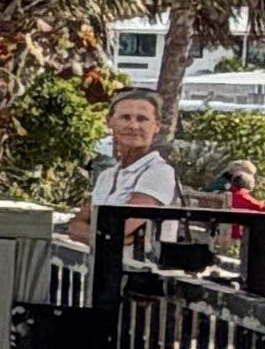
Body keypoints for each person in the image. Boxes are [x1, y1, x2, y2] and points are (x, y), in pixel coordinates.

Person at [60, 85, 188, 251]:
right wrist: (118, 239)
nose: (133, 126)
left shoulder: (159, 172)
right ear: (110, 122)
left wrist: (95, 234)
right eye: (125, 117)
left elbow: (119, 230)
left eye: (142, 119)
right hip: (103, 267)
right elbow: (75, 226)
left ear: (156, 126)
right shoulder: (107, 175)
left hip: (141, 272)